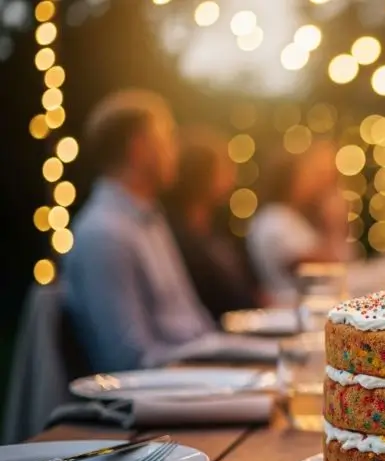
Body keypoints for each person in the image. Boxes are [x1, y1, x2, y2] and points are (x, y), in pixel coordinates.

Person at [63, 90, 217, 371]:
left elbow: (195, 326)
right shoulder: (104, 234)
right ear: (139, 148)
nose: (176, 152)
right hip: (165, 392)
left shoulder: (150, 220)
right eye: (168, 138)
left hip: (194, 370)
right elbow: (129, 362)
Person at [163, 127, 261, 319]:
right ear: (200, 172)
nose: (232, 176)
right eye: (224, 166)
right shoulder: (175, 236)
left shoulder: (218, 229)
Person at [247, 142, 348, 305]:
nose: (311, 182)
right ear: (290, 180)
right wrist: (332, 223)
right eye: (305, 175)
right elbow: (324, 268)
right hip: (291, 308)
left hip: (304, 304)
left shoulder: (290, 216)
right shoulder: (274, 220)